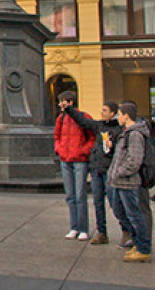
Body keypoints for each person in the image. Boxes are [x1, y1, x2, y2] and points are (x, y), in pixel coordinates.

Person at [64, 100, 124, 245]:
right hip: (96, 168)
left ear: (112, 113)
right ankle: (102, 232)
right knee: (98, 203)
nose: (101, 112)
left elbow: (122, 148)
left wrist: (113, 145)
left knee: (114, 202)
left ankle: (126, 230)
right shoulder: (99, 125)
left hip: (109, 170)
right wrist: (69, 109)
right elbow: (83, 121)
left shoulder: (118, 129)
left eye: (104, 110)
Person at [107, 102, 151, 263]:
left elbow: (134, 160)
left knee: (134, 215)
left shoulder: (135, 135)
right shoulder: (126, 133)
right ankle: (137, 244)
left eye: (119, 114)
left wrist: (119, 173)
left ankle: (143, 249)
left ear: (126, 115)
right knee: (124, 213)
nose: (118, 117)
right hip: (119, 182)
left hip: (127, 182)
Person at [54, 90, 95, 241]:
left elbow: (92, 137)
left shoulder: (84, 117)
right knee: (70, 195)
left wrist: (84, 151)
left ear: (70, 103)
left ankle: (83, 228)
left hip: (79, 160)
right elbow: (56, 136)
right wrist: (59, 149)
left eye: (62, 102)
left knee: (80, 195)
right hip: (66, 159)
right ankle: (74, 227)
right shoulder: (61, 118)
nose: (60, 104)